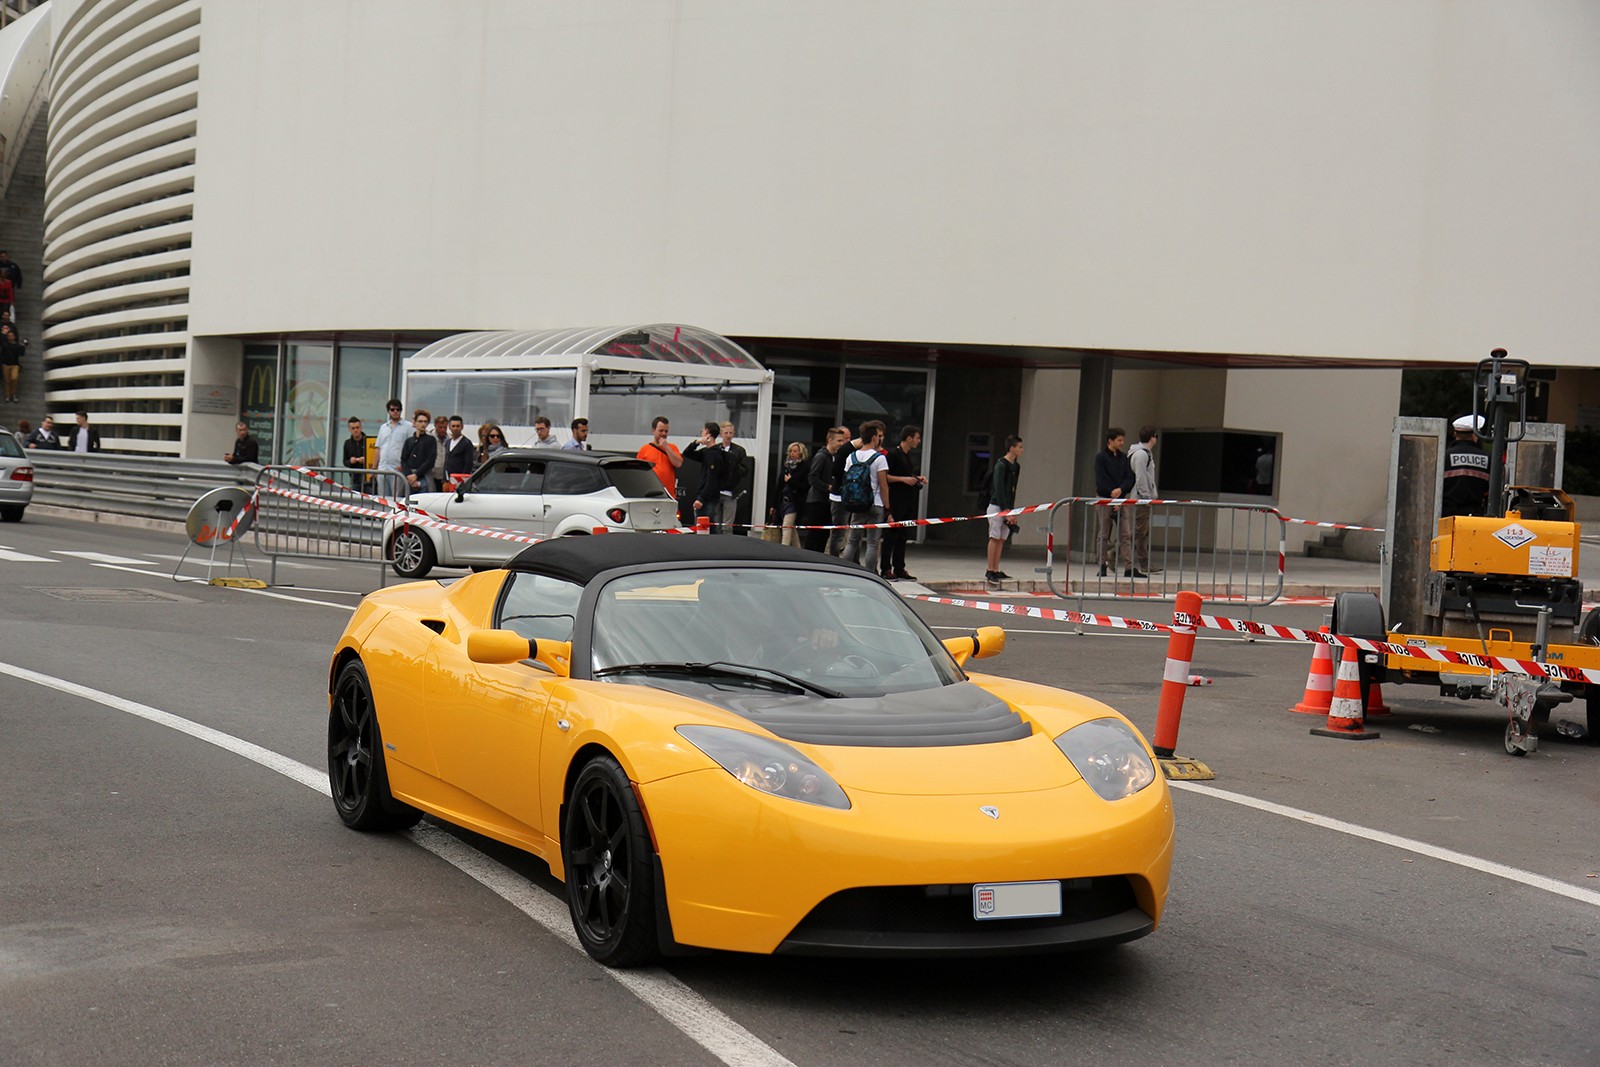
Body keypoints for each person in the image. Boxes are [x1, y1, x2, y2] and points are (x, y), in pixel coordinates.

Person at [841, 420, 892, 575]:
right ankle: (870, 574)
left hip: (856, 503)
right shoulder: (879, 458)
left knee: (852, 541)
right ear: (874, 437)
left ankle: (844, 571)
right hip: (874, 504)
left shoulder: (852, 457)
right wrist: (888, 507)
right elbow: (883, 485)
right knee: (872, 543)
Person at [1093, 426, 1140, 578]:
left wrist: (1121, 490)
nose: (1121, 443)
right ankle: (1102, 564)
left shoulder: (1123, 458)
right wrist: (1112, 494)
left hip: (1121, 499)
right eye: (1119, 440)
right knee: (1104, 533)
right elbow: (1100, 479)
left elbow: (1130, 478)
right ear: (1110, 441)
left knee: (1126, 533)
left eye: (1122, 440)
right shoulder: (1101, 458)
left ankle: (1129, 566)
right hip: (1105, 498)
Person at [882, 425, 927, 580]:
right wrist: (903, 479)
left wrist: (916, 478)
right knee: (891, 535)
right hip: (895, 500)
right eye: (917, 438)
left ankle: (899, 567)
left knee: (903, 535)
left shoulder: (907, 456)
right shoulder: (893, 454)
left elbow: (905, 474)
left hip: (907, 501)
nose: (918, 441)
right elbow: (885, 477)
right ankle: (885, 568)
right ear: (909, 438)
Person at [984, 435, 1023, 587]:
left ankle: (996, 568)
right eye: (1019, 447)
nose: (1021, 450)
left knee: (1002, 538)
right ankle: (990, 569)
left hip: (1008, 508)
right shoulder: (1001, 465)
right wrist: (1006, 510)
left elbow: (1012, 490)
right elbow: (999, 490)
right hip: (997, 506)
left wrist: (1011, 511)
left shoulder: (1016, 467)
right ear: (1011, 448)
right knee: (994, 536)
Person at [803, 427, 847, 552]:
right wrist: (827, 487)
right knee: (814, 535)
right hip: (817, 501)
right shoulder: (821, 456)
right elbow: (812, 477)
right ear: (830, 440)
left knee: (824, 535)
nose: (841, 444)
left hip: (828, 501)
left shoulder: (834, 457)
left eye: (842, 441)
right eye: (839, 441)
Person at [1441, 414, 1490, 518]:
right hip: (1474, 517)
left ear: (1455, 434)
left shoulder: (1443, 456)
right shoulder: (1487, 458)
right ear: (1475, 435)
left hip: (1446, 515)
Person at [683, 420, 728, 531]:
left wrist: (701, 499)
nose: (701, 433)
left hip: (708, 498)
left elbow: (712, 479)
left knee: (705, 529)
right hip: (704, 497)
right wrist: (697, 442)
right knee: (702, 529)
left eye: (702, 431)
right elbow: (687, 453)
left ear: (707, 432)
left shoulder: (715, 454)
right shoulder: (706, 452)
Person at [637, 416, 684, 518]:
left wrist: (666, 448)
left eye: (666, 431)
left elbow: (678, 463)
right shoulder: (644, 449)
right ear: (653, 430)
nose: (663, 434)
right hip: (650, 495)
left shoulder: (672, 448)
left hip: (668, 495)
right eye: (661, 431)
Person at [1127, 426, 1158, 574]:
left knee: (1143, 532)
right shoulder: (1141, 455)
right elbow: (1141, 477)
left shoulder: (1145, 454)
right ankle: (1115, 551)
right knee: (1140, 531)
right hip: (1142, 498)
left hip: (1144, 498)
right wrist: (1146, 496)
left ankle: (1144, 562)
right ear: (1152, 437)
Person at [770, 441, 809, 547]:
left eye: (795, 451)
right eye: (791, 451)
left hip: (794, 502)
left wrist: (791, 481)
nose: (792, 453)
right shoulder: (786, 467)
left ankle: (784, 549)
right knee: (792, 528)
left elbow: (805, 486)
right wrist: (773, 505)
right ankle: (799, 551)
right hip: (783, 502)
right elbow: (779, 487)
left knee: (786, 526)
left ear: (800, 453)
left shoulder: (804, 468)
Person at [827, 424, 854, 555]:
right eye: (842, 440)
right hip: (838, 496)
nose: (845, 443)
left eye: (848, 439)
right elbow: (836, 473)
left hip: (847, 495)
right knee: (838, 533)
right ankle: (834, 560)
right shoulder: (838, 454)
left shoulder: (849, 454)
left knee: (847, 533)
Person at [400, 409, 437, 492]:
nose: (423, 424)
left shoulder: (431, 440)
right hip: (409, 476)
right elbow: (403, 459)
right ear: (415, 423)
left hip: (424, 475)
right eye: (420, 421)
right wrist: (409, 474)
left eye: (425, 422)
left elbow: (430, 460)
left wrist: (416, 475)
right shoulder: (409, 441)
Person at [442, 414, 476, 487]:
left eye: (458, 426)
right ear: (449, 427)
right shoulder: (448, 442)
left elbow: (468, 464)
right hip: (448, 480)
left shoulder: (467, 443)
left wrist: (462, 480)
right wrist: (445, 478)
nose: (455, 428)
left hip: (459, 481)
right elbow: (446, 462)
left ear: (462, 427)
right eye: (453, 426)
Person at [374, 399, 407, 473]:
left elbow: (412, 449)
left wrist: (405, 466)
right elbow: (378, 448)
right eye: (392, 409)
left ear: (401, 411)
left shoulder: (408, 427)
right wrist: (374, 469)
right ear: (388, 411)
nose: (395, 411)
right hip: (382, 468)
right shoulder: (383, 427)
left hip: (398, 469)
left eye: (397, 409)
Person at [341, 416, 370, 490]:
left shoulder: (368, 441)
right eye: (353, 428)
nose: (355, 430)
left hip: (368, 479)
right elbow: (345, 461)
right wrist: (350, 461)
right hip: (355, 479)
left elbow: (374, 459)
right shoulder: (347, 443)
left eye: (357, 427)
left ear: (361, 428)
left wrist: (366, 460)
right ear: (349, 430)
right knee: (354, 499)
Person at [0, 322, 24, 404]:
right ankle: (8, 395)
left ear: (14, 337)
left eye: (12, 336)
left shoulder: (17, 345)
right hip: (6, 364)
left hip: (14, 365)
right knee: (7, 381)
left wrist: (23, 346)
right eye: (9, 336)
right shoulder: (5, 345)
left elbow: (22, 354)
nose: (10, 337)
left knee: (14, 378)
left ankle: (13, 394)